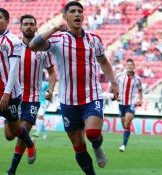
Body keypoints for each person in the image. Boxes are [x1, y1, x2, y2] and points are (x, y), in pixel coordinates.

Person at [29, 1, 119, 174]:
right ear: (65, 17)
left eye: (80, 11)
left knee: (92, 133)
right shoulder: (56, 40)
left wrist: (114, 83)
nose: (77, 14)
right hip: (68, 101)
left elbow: (104, 62)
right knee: (78, 145)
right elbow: (32, 45)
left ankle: (98, 146)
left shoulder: (94, 39)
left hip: (91, 96)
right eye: (73, 12)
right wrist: (54, 28)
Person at [0, 8, 36, 175]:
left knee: (15, 130)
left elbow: (13, 71)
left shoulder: (13, 41)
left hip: (10, 95)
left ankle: (30, 143)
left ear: (6, 22)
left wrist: (6, 93)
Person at [4, 14, 56, 175]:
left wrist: (51, 89)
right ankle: (30, 142)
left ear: (35, 27)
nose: (28, 26)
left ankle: (11, 171)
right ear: (20, 28)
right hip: (14, 97)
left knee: (20, 131)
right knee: (9, 135)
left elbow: (52, 73)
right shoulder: (13, 47)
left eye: (31, 24)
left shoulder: (43, 49)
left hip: (32, 98)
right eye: (25, 24)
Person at [116, 59, 143, 152]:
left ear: (133, 67)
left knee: (127, 122)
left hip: (131, 103)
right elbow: (113, 86)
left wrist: (140, 99)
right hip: (121, 103)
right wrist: (114, 95)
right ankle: (126, 135)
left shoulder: (138, 79)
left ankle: (123, 145)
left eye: (131, 65)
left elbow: (140, 90)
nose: (129, 66)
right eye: (127, 65)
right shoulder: (119, 76)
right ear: (125, 66)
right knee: (125, 125)